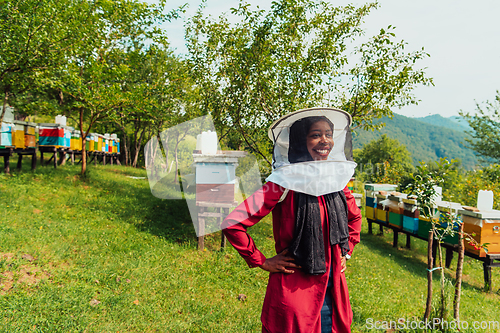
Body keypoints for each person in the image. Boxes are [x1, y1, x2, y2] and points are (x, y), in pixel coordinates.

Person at [222, 108, 362, 333]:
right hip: (296, 294)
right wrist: (262, 260)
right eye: (315, 135)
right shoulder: (283, 182)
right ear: (300, 140)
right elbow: (233, 223)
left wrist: (346, 251)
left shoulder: (336, 180)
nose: (324, 140)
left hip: (334, 291)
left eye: (328, 134)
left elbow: (354, 217)